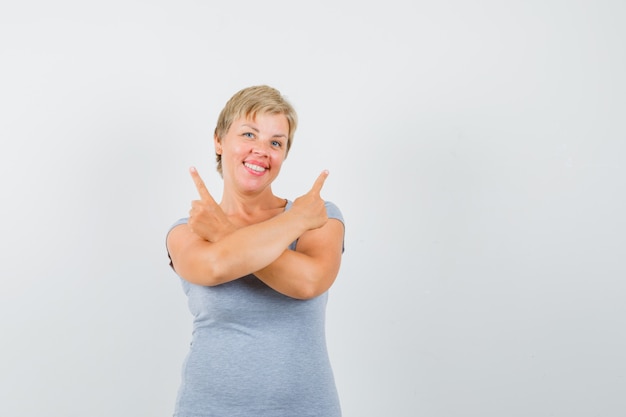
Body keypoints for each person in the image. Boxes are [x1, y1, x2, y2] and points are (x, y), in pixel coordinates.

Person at [166, 85, 345, 417]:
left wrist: (224, 231)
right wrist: (295, 222)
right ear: (219, 140)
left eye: (276, 142)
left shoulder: (320, 216)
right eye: (249, 134)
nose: (262, 150)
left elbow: (308, 282)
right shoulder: (186, 230)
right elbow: (215, 267)